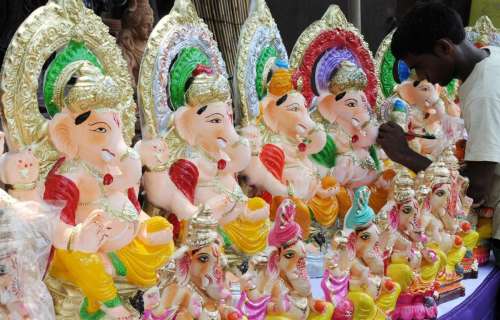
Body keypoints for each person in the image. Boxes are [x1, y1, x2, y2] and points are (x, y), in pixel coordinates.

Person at [376, 1, 500, 266]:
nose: (423, 78)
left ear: (444, 48)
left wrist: (405, 154)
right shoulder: (491, 59)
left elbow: (475, 188)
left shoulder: (483, 94)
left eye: (420, 66)